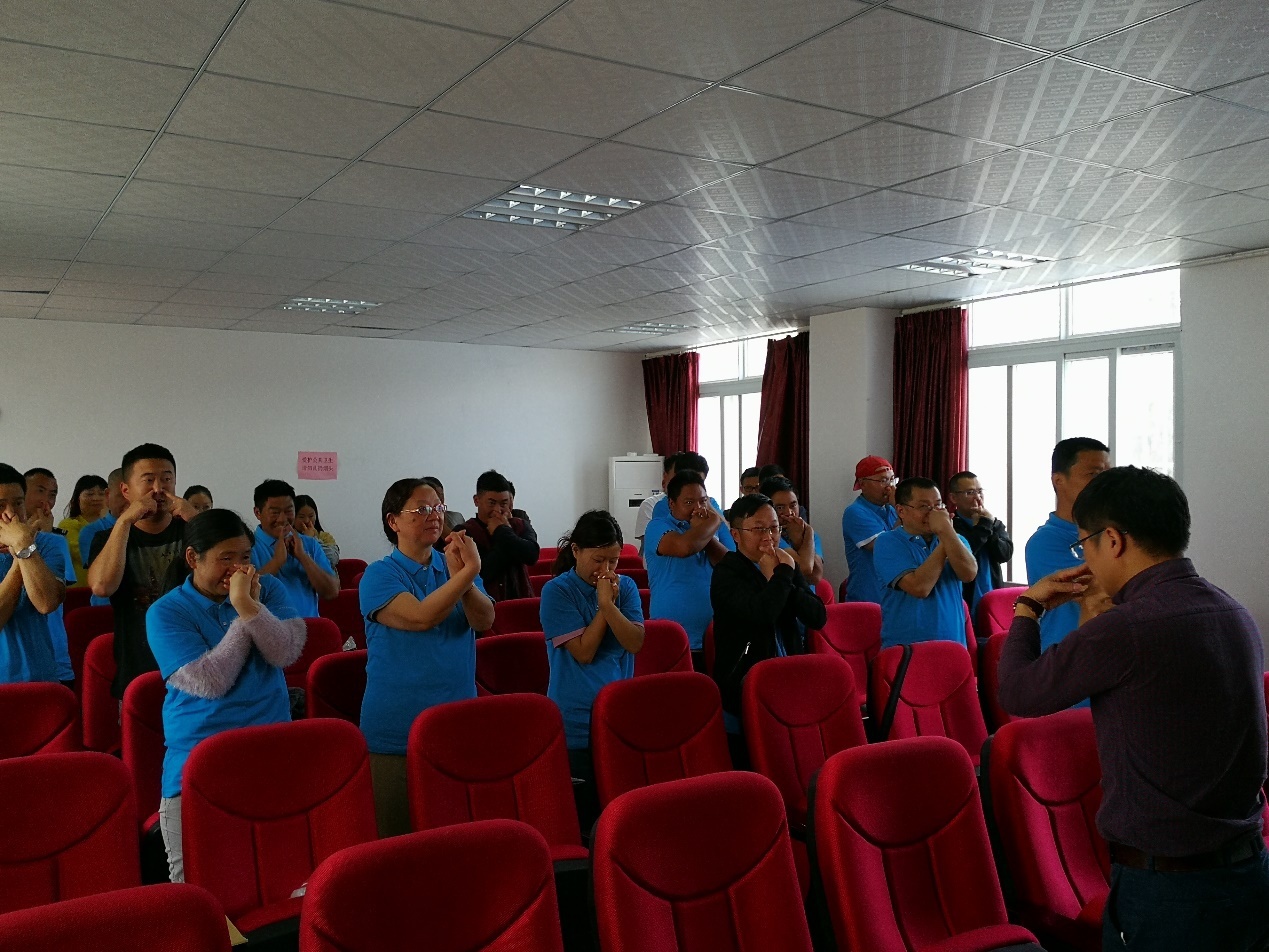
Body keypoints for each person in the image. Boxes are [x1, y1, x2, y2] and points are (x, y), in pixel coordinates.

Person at [998, 467, 1269, 952]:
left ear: (1113, 540)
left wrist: (1028, 608)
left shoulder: (1127, 628)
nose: (1086, 559)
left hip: (1170, 894)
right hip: (1248, 874)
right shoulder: (1234, 613)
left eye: (1084, 546)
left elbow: (1018, 692)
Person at [147, 509, 306, 883]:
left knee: (282, 876)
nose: (238, 569)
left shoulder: (269, 590)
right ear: (193, 558)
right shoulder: (165, 612)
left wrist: (250, 606)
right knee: (198, 886)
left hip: (270, 751)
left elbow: (285, 652)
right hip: (200, 760)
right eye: (225, 558)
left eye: (245, 557)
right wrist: (244, 613)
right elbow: (211, 681)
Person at [360, 478, 494, 836]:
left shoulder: (452, 564)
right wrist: (467, 573)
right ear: (393, 521)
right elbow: (421, 618)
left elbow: (484, 620)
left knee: (457, 836)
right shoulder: (378, 575)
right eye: (421, 509)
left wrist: (464, 578)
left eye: (437, 507)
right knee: (399, 842)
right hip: (397, 731)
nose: (434, 515)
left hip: (455, 723)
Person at [541, 510, 644, 828]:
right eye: (598, 560)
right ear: (576, 551)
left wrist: (610, 604)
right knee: (587, 821)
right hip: (576, 723)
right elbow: (584, 652)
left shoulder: (625, 587)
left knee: (623, 816)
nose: (606, 570)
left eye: (613, 561)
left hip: (617, 718)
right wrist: (604, 606)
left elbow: (634, 642)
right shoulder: (557, 591)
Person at [711, 492, 825, 764]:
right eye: (759, 529)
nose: (769, 537)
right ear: (736, 535)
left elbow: (818, 616)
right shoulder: (727, 572)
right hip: (746, 684)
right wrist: (781, 576)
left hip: (789, 678)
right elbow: (762, 614)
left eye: (774, 528)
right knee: (758, 763)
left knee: (794, 760)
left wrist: (784, 576)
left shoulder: (784, 563)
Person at [88, 444, 199, 699]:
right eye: (148, 480)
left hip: (194, 665)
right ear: (126, 490)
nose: (158, 489)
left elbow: (235, 568)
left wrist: (196, 519)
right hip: (136, 669)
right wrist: (126, 520)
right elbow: (102, 587)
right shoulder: (108, 539)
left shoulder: (193, 531)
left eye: (167, 479)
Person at [1025, 438, 1111, 652]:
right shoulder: (1044, 542)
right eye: (1094, 474)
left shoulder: (1110, 533)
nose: (1104, 484)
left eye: (1107, 474)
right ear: (1058, 480)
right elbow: (1100, 590)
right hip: (1065, 655)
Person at [872, 477, 976, 649]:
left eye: (938, 505)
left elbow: (969, 574)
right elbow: (919, 587)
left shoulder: (955, 539)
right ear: (901, 511)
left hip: (953, 646)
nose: (933, 513)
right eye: (924, 506)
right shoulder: (887, 542)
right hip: (906, 650)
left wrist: (946, 535)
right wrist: (945, 537)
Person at [644, 470, 728, 666]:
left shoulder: (703, 533)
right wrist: (714, 520)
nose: (698, 508)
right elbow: (685, 547)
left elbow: (727, 565)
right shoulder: (657, 526)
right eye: (689, 502)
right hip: (673, 639)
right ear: (672, 504)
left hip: (713, 637)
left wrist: (705, 532)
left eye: (703, 501)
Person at [0, 463, 68, 683]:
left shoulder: (49, 544)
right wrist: (22, 547)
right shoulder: (30, 544)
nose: (11, 514)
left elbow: (47, 602)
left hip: (41, 679)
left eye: (18, 503)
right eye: (0, 505)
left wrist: (22, 547)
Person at [250, 479, 339, 617]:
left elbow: (331, 592)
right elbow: (245, 596)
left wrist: (303, 557)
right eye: (275, 512)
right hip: (267, 629)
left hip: (310, 627)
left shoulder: (310, 544)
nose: (282, 519)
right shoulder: (247, 547)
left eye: (288, 511)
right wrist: (277, 562)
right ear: (257, 513)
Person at [462, 470, 540, 601]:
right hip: (483, 605)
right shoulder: (465, 532)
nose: (498, 510)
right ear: (476, 500)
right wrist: (504, 535)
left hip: (521, 602)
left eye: (503, 503)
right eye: (491, 503)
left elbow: (532, 555)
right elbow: (484, 572)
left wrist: (502, 530)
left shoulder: (520, 525)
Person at [947, 471, 1013, 612]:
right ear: (953, 498)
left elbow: (1005, 554)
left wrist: (987, 525)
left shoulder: (993, 523)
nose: (977, 497)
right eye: (970, 492)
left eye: (980, 491)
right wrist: (983, 527)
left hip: (993, 597)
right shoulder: (950, 526)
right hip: (963, 600)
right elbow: (966, 553)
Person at [841, 455, 898, 603]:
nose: (890, 487)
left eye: (892, 479)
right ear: (863, 484)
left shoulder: (891, 509)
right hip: (868, 601)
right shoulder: (855, 512)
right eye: (883, 480)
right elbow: (886, 548)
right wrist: (902, 512)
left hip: (894, 600)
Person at [760, 475, 823, 585]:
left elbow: (816, 577)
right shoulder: (769, 538)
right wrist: (809, 532)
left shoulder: (811, 537)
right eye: (780, 507)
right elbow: (805, 570)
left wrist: (801, 540)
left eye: (793, 505)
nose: (789, 513)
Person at [57, 474, 108, 588]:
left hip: (109, 589)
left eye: (102, 494)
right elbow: (84, 555)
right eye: (90, 494)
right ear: (77, 498)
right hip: (80, 590)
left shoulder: (116, 523)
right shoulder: (68, 525)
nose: (96, 498)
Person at [80, 468, 126, 575]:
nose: (129, 501)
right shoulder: (91, 531)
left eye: (135, 495)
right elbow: (99, 576)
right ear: (107, 495)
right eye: (122, 495)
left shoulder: (150, 526)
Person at [635, 453, 680, 554]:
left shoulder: (706, 505)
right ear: (665, 477)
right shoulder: (651, 504)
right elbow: (649, 546)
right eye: (677, 477)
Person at [294, 494, 340, 570]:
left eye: (311, 516)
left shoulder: (324, 536)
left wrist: (312, 540)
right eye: (301, 517)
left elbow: (331, 560)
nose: (307, 521)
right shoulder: (288, 537)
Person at [22, 468, 59, 535]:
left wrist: (46, 533)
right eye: (40, 491)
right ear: (22, 491)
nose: (45, 500)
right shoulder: (4, 528)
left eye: (52, 495)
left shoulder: (58, 537)